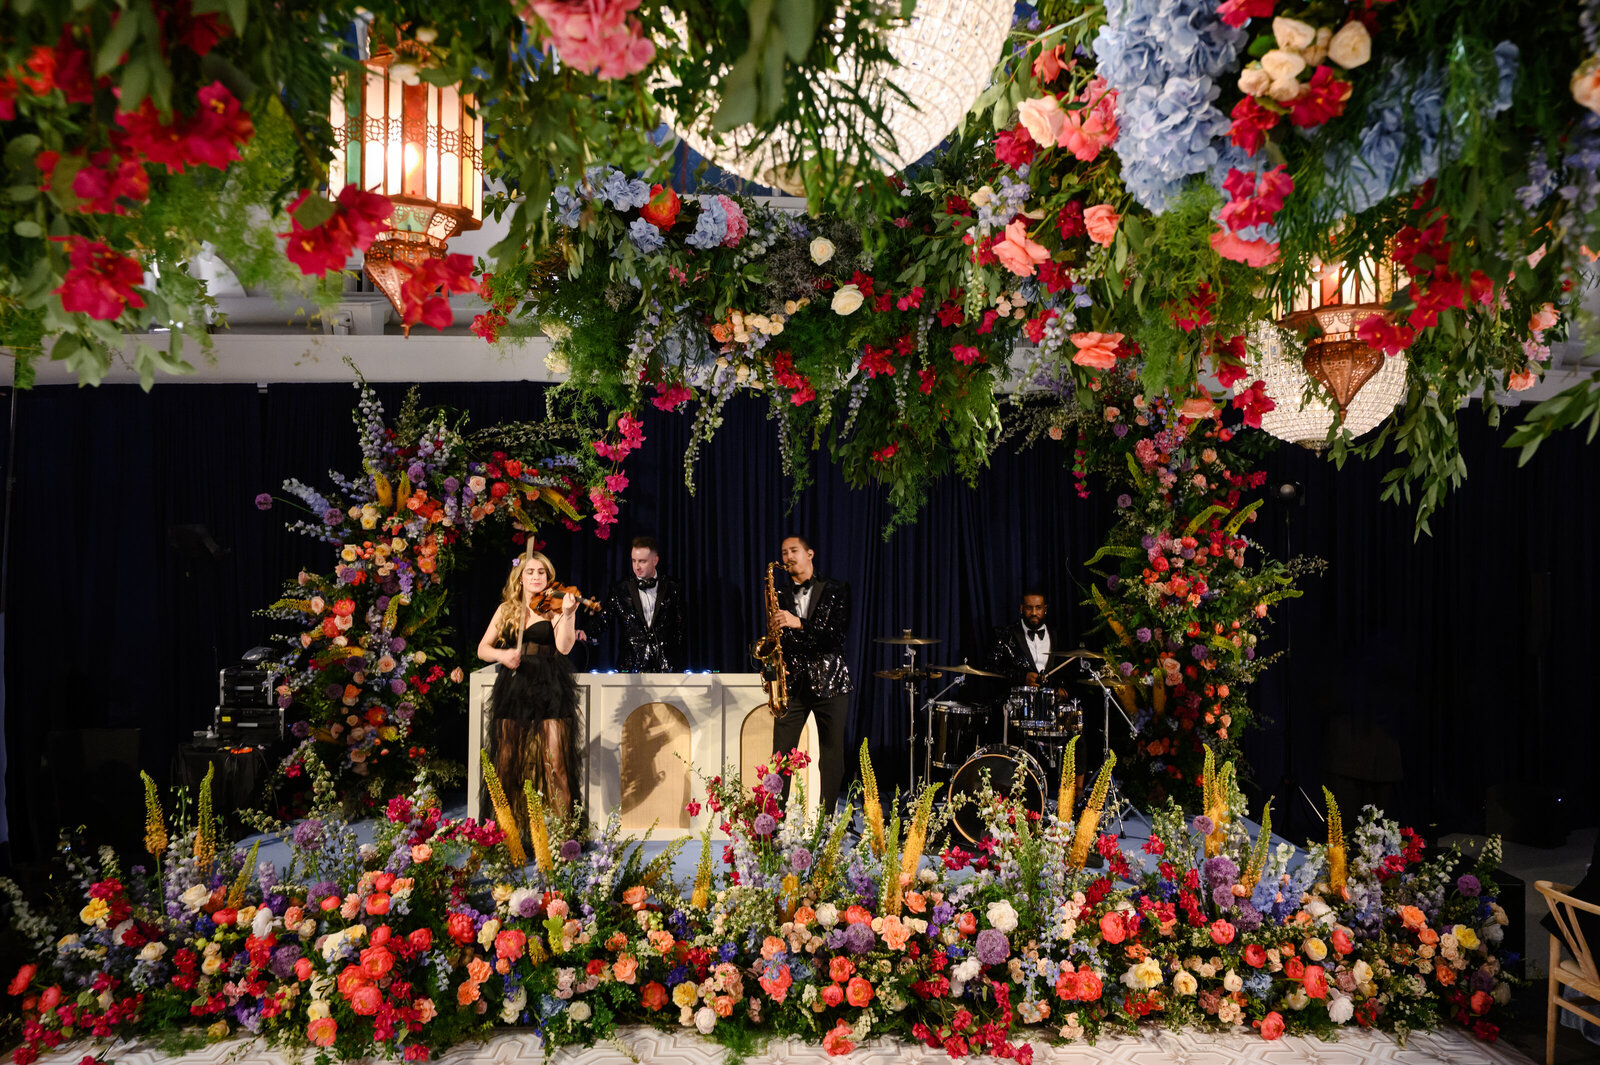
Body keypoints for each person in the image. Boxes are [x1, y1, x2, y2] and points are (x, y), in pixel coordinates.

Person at [476, 550, 583, 828]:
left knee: (556, 764)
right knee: (506, 763)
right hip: (515, 687)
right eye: (530, 572)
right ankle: (504, 833)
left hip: (550, 686)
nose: (536, 577)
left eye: (541, 572)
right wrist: (503, 656)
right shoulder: (506, 610)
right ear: (520, 578)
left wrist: (569, 615)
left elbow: (564, 647)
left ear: (548, 578)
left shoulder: (554, 608)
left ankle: (563, 834)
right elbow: (482, 649)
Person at [768, 535, 852, 813]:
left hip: (831, 683)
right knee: (780, 757)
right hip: (793, 684)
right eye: (784, 552)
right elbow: (778, 638)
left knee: (831, 756)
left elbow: (834, 637)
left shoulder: (837, 589)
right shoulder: (777, 593)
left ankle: (826, 822)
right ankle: (774, 824)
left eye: (794, 551)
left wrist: (798, 623)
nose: (788, 556)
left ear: (810, 554)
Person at [598, 536, 686, 672]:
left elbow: (681, 626)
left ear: (655, 560)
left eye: (642, 561)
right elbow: (604, 619)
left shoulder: (672, 587)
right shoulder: (620, 589)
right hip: (631, 666)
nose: (636, 567)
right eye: (634, 561)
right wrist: (586, 633)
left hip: (667, 666)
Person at [989, 590, 1063, 688]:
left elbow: (1065, 672)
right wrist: (1022, 677)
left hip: (1049, 700)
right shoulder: (1005, 635)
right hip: (1018, 699)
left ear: (1045, 609)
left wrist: (1062, 688)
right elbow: (991, 669)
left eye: (1038, 608)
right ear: (1021, 608)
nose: (1034, 613)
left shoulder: (1057, 635)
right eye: (1029, 608)